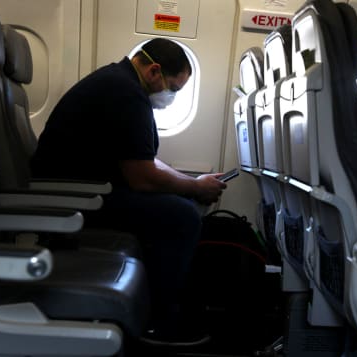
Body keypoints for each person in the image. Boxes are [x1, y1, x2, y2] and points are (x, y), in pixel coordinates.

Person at [30, 38, 227, 345]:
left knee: (180, 203)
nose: (171, 96)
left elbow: (147, 160)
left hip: (88, 191)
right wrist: (193, 189)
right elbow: (142, 178)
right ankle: (160, 324)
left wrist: (193, 183)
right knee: (183, 217)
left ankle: (161, 308)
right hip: (74, 199)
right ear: (154, 71)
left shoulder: (120, 83)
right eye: (173, 89)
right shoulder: (125, 93)